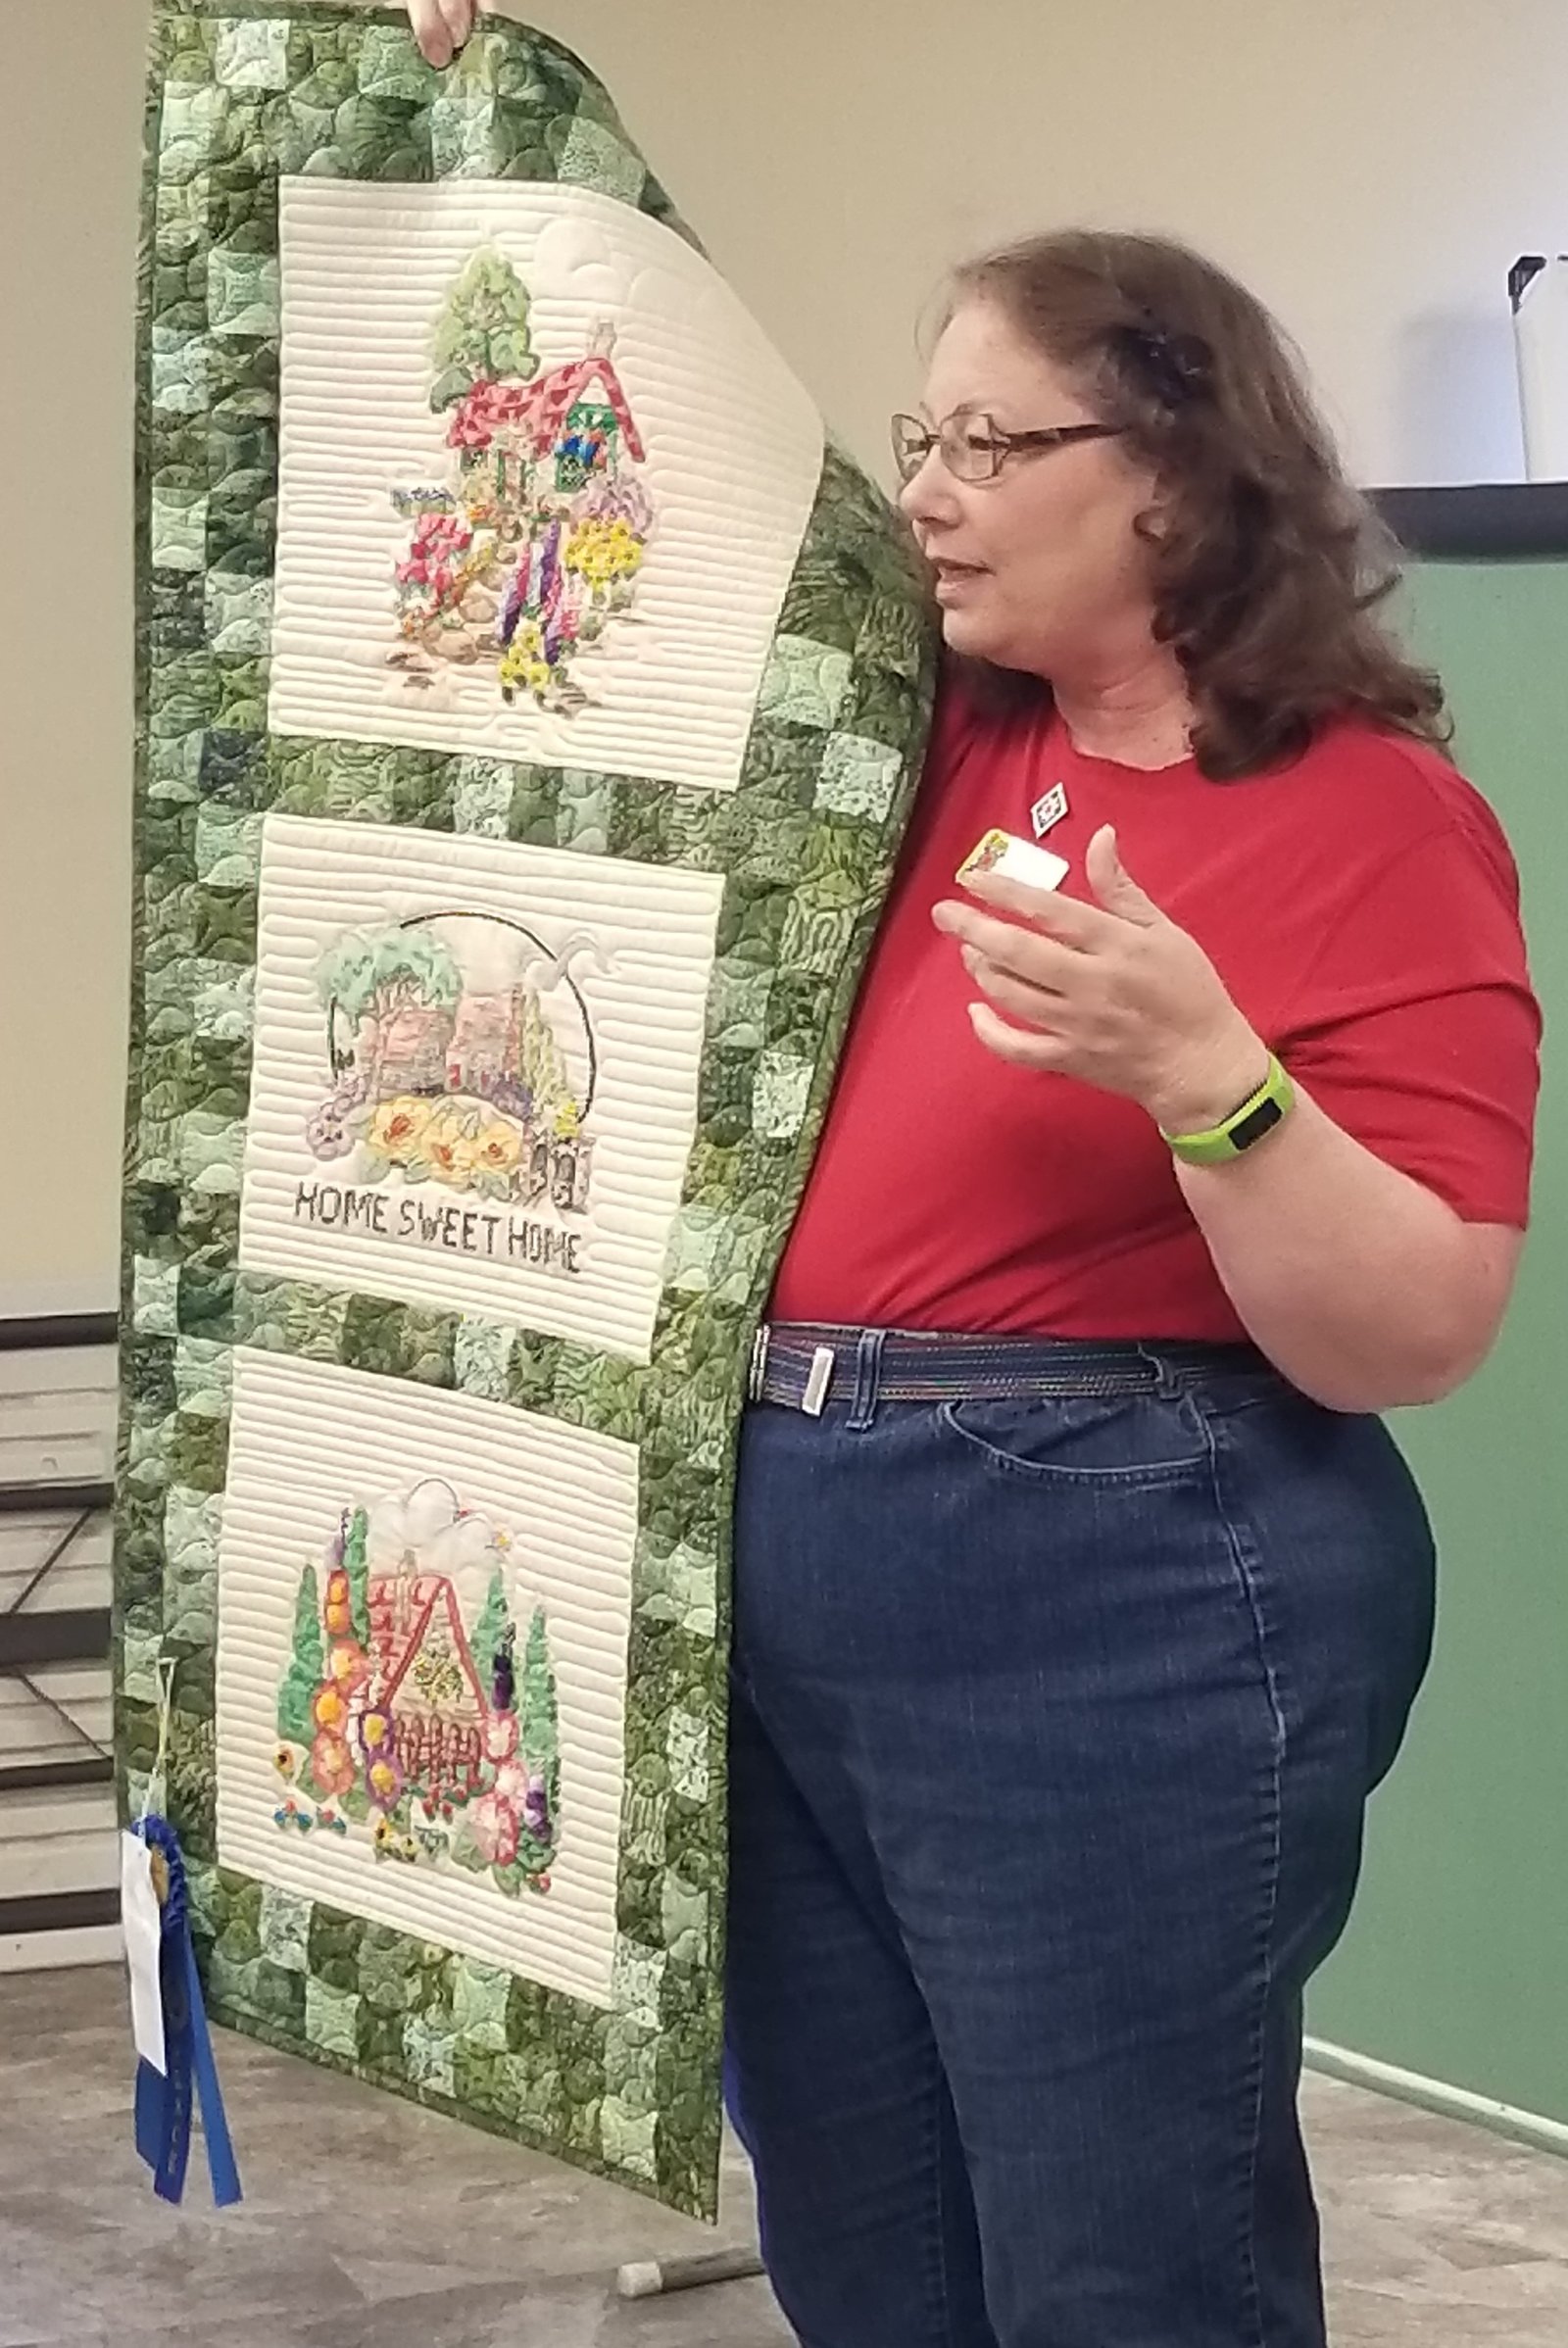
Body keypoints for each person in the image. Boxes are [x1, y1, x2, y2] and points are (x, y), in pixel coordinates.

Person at [406, 12, 1540, 2343]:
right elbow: (628, 469)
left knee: (1121, 2266)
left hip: (1113, 1586)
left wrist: (1206, 1079)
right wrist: (480, 111)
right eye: (917, 433)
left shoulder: (1366, 820)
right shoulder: (907, 732)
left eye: (986, 442)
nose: (921, 489)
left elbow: (1416, 1323)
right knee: (865, 2252)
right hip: (780, 1558)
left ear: (1173, 480)